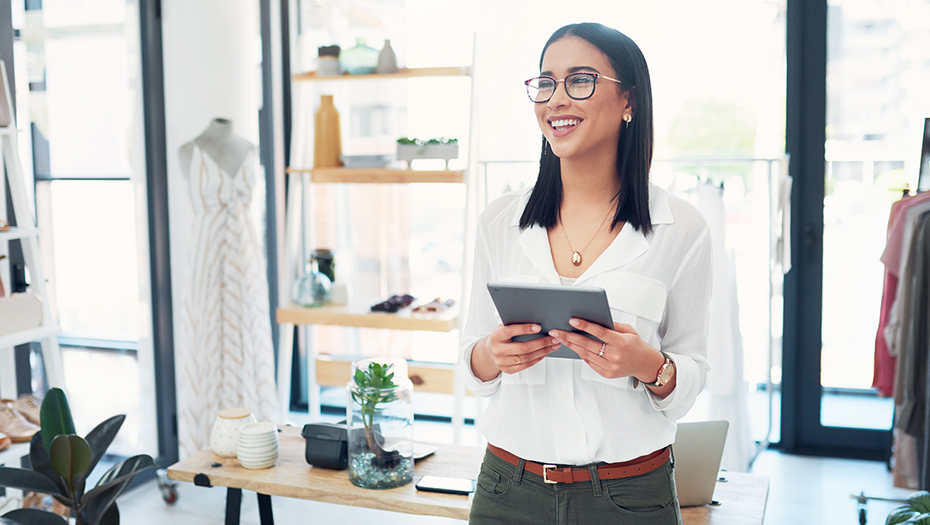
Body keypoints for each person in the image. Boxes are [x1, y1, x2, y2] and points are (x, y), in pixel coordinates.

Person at [459, 23, 713, 524]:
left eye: (580, 80)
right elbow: (474, 366)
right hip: (507, 491)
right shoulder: (499, 221)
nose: (556, 99)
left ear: (629, 101)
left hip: (629, 497)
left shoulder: (682, 228)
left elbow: (693, 372)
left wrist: (647, 364)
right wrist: (493, 354)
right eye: (545, 83)